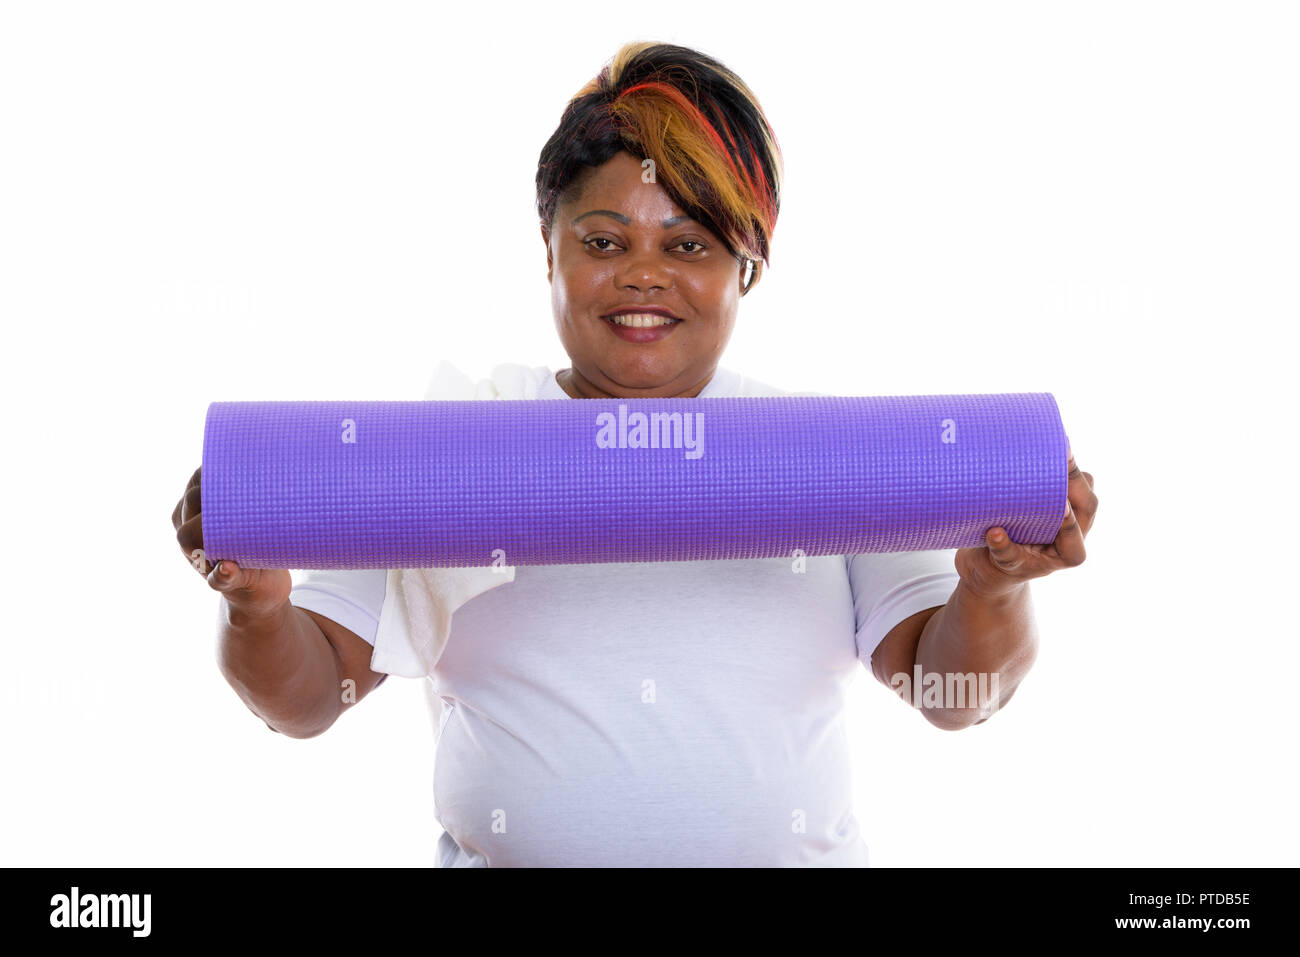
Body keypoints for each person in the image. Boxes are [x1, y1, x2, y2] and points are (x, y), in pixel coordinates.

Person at [171, 41, 1098, 866]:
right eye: (604, 241)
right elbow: (305, 701)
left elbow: (955, 695)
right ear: (549, 250)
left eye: (688, 243)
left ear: (746, 267)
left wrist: (993, 586)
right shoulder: (450, 448)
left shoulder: (828, 458)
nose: (643, 274)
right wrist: (256, 605)